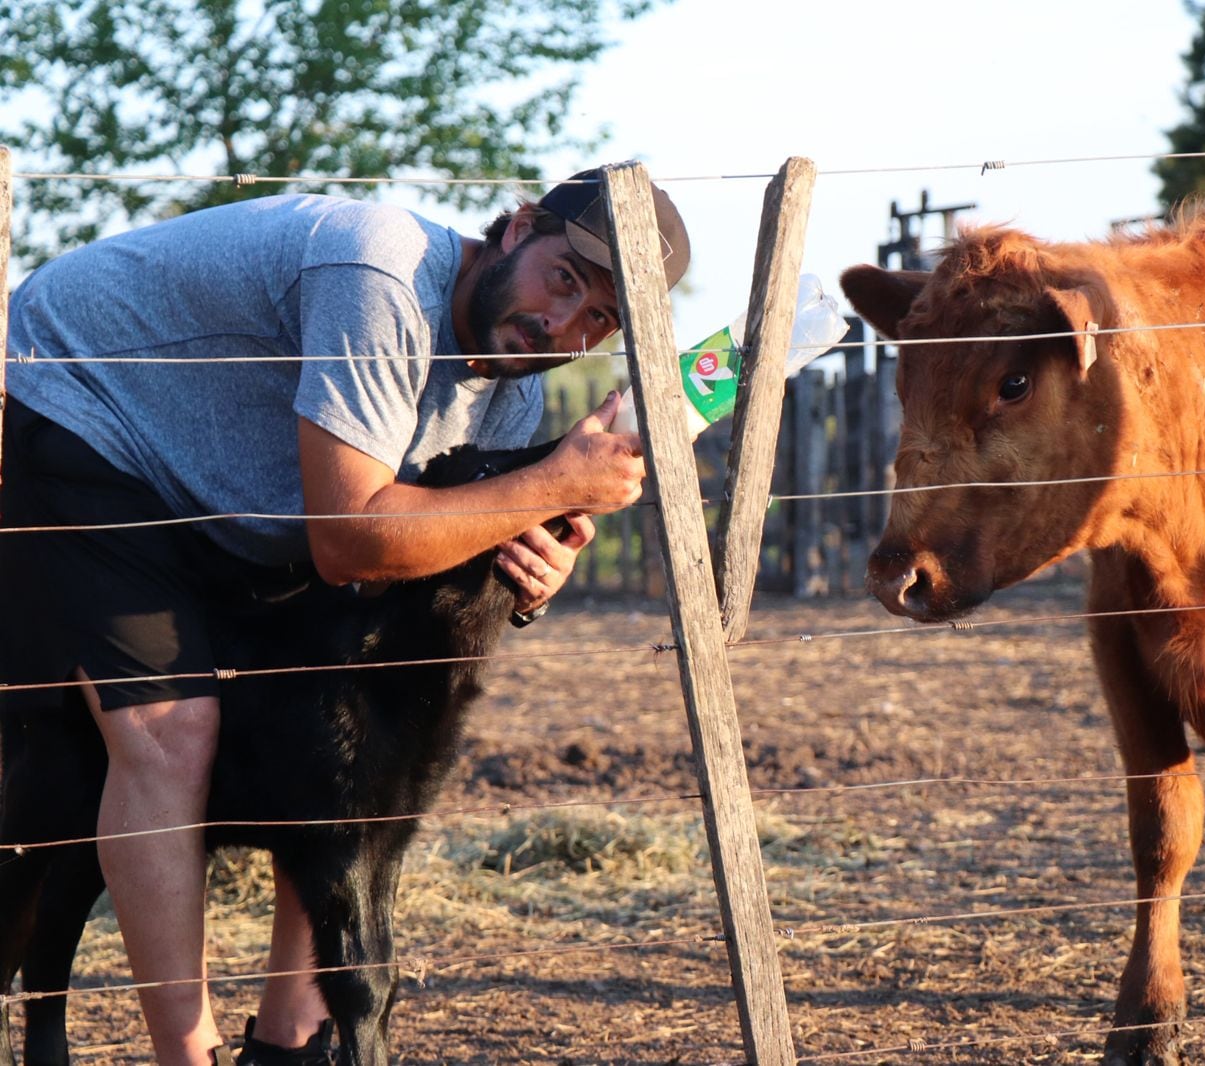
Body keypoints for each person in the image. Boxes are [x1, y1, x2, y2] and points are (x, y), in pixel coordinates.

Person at [0, 166, 690, 1065]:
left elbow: (442, 554)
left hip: (244, 498)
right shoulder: (380, 276)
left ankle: (288, 1043)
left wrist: (534, 560)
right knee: (172, 731)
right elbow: (352, 543)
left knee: (335, 713)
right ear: (519, 228)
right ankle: (186, 1054)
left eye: (599, 317)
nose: (563, 324)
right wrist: (550, 484)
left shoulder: (511, 379)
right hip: (86, 409)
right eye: (563, 279)